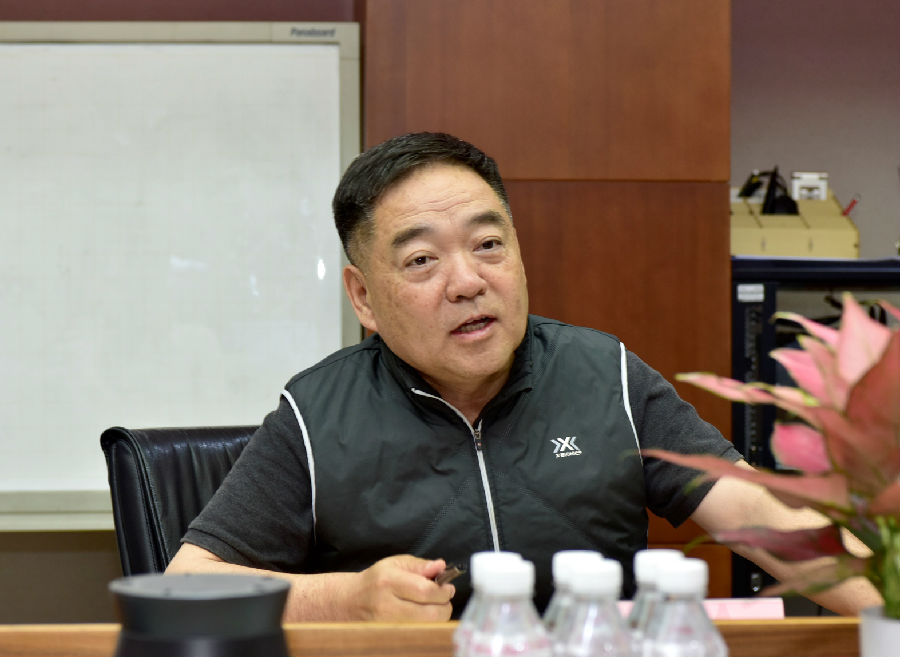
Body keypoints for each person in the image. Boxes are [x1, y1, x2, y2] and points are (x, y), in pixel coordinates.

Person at [167, 132, 880, 621]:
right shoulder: (316, 414)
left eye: (488, 244)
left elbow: (762, 514)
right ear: (364, 298)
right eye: (422, 261)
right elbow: (188, 586)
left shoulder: (607, 375)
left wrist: (890, 603)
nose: (468, 282)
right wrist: (347, 600)